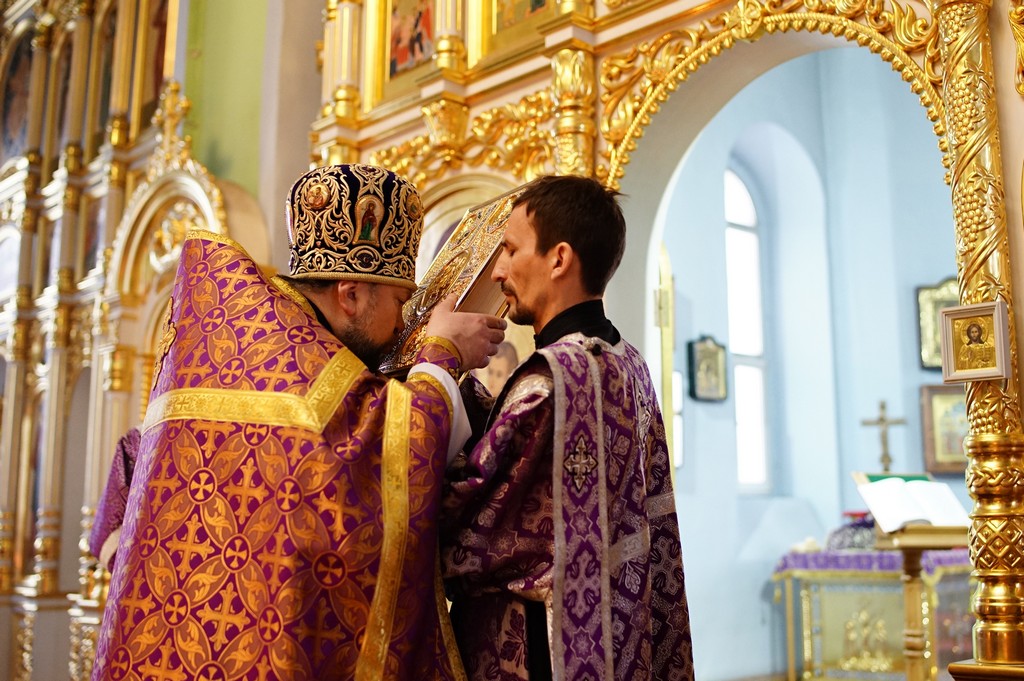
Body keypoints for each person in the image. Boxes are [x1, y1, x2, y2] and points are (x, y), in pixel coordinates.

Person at [91, 164, 506, 680]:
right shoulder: (291, 359)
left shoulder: (255, 340)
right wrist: (442, 353)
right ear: (350, 294)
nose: (404, 322)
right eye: (400, 301)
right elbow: (377, 463)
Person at [440, 175, 694, 680]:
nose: (499, 270)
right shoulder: (628, 363)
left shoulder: (550, 380)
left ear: (558, 259)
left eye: (511, 250)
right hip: (618, 633)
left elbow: (469, 515)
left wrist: (435, 368)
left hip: (540, 648)